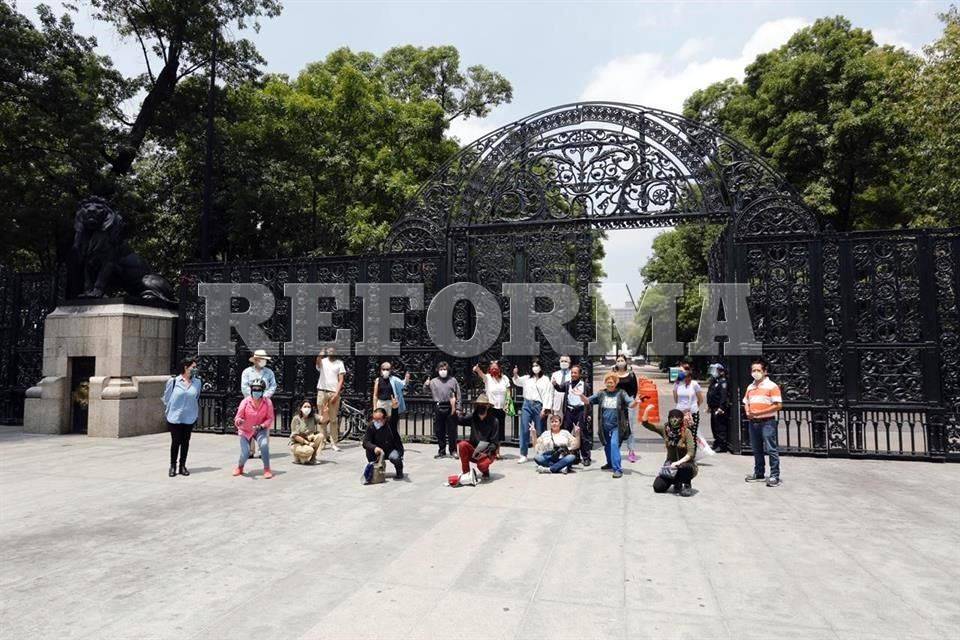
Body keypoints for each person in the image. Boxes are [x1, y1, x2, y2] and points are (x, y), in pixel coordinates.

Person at [575, 373, 637, 478]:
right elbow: (587, 401)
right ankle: (609, 463)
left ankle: (617, 469)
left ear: (616, 383)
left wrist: (636, 402)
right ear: (605, 383)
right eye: (608, 382)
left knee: (614, 445)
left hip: (617, 426)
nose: (610, 384)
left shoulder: (621, 393)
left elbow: (630, 404)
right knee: (607, 446)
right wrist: (581, 395)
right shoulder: (601, 394)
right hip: (604, 425)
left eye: (612, 382)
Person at [743, 358, 783, 487]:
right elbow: (746, 402)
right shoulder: (750, 386)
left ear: (765, 371)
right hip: (753, 422)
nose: (755, 372)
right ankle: (759, 473)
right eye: (753, 370)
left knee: (771, 449)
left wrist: (760, 413)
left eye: (758, 370)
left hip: (767, 422)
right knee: (757, 449)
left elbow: (778, 405)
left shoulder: (772, 386)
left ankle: (774, 475)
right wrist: (748, 411)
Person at [162, 356, 201, 477]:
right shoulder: (173, 381)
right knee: (176, 441)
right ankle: (173, 465)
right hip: (175, 417)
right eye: (193, 367)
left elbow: (196, 397)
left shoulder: (197, 382)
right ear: (186, 367)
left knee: (185, 442)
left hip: (189, 417)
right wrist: (171, 410)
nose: (195, 369)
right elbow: (167, 398)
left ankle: (182, 465)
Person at [512, 361, 553, 463]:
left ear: (541, 367)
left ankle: (541, 452)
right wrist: (515, 374)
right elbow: (517, 381)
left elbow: (548, 394)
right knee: (525, 429)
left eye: (537, 365)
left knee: (540, 430)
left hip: (539, 405)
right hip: (527, 404)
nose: (535, 367)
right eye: (533, 366)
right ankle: (523, 454)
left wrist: (545, 408)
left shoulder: (545, 379)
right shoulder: (527, 378)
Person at [453, 393, 500, 482]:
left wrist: (485, 452)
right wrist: (454, 409)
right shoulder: (472, 417)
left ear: (488, 406)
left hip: (487, 452)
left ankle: (485, 471)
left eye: (483, 405)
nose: (481, 407)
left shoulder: (494, 421)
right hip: (474, 450)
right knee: (462, 445)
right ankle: (466, 473)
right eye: (479, 405)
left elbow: (494, 442)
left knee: (482, 465)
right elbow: (459, 420)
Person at [233, 378, 274, 478]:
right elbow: (238, 417)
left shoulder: (267, 402)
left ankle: (267, 469)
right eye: (254, 390)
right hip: (246, 430)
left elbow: (270, 418)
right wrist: (239, 421)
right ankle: (240, 467)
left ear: (262, 391)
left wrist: (262, 426)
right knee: (246, 452)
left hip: (260, 429)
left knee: (264, 445)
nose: (256, 392)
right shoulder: (245, 402)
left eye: (259, 390)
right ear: (251, 390)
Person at [241, 349, 277, 459]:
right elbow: (244, 386)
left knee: (264, 425)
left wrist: (264, 396)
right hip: (250, 403)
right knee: (249, 425)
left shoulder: (269, 372)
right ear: (256, 360)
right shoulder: (247, 372)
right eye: (262, 359)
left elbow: (273, 386)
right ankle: (250, 450)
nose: (263, 361)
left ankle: (263, 449)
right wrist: (253, 397)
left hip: (264, 403)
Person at [551, 362, 589, 465]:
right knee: (565, 433)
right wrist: (555, 384)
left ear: (579, 374)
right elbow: (559, 388)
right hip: (569, 411)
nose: (573, 374)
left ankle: (585, 457)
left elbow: (588, 400)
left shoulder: (584, 385)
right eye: (572, 373)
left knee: (581, 434)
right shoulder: (568, 384)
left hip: (580, 411)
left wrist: (587, 414)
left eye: (575, 373)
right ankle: (565, 455)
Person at [424, 361, 461, 458]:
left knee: (452, 430)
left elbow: (458, 395)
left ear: (448, 370)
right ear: (437, 370)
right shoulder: (433, 381)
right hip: (438, 406)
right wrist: (426, 384)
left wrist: (458, 408)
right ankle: (441, 451)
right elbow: (425, 391)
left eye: (444, 369)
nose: (443, 371)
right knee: (439, 430)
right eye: (441, 369)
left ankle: (453, 451)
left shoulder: (453, 380)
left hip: (450, 406)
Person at [471, 360, 510, 446]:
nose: (494, 370)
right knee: (490, 429)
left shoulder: (505, 378)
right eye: (492, 368)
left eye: (496, 368)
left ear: (499, 369)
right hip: (490, 408)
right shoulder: (488, 378)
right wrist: (477, 369)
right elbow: (482, 375)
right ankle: (487, 450)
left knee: (500, 430)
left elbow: (508, 392)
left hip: (501, 408)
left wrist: (507, 405)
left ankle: (497, 451)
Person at [315, 347, 346, 452]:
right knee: (322, 419)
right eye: (329, 350)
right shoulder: (322, 361)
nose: (331, 352)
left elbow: (341, 379)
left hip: (333, 392)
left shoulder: (339, 363)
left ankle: (334, 443)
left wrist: (336, 394)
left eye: (333, 350)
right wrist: (319, 355)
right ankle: (322, 442)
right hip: (322, 391)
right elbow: (318, 364)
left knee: (333, 419)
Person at [362, 408, 404, 480]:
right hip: (378, 451)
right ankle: (376, 470)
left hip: (391, 449)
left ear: (385, 418)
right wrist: (374, 447)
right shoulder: (371, 426)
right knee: (369, 450)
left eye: (379, 419)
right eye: (374, 419)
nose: (376, 421)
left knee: (395, 458)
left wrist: (395, 408)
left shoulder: (390, 425)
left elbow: (395, 417)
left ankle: (399, 470)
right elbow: (365, 442)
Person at [612, 354, 640, 463]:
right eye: (618, 360)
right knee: (616, 427)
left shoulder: (631, 375)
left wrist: (630, 401)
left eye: (621, 360)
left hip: (629, 404)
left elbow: (635, 390)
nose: (620, 362)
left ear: (625, 362)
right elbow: (609, 387)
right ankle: (616, 449)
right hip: (616, 404)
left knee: (630, 427)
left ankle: (631, 450)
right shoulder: (613, 375)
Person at [673, 361, 704, 439]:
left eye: (682, 371)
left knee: (692, 435)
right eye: (680, 371)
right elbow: (676, 399)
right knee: (680, 435)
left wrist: (693, 407)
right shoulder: (678, 384)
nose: (681, 373)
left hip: (692, 413)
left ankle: (692, 450)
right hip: (680, 412)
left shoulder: (694, 384)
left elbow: (700, 399)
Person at [289, 398, 324, 464]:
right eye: (305, 406)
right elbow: (295, 436)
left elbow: (323, 420)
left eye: (309, 407)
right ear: (301, 408)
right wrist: (307, 443)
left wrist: (325, 412)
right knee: (306, 456)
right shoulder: (296, 418)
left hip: (309, 440)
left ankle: (313, 458)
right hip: (298, 443)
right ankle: (297, 456)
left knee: (320, 436)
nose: (307, 408)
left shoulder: (313, 417)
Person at [706, 363, 731, 453]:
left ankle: (722, 445)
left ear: (721, 371)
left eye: (715, 370)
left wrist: (721, 407)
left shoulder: (723, 382)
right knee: (714, 426)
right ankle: (717, 442)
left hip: (719, 408)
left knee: (720, 427)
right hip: (713, 407)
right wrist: (709, 405)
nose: (713, 372)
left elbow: (723, 396)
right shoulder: (714, 381)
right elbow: (710, 394)